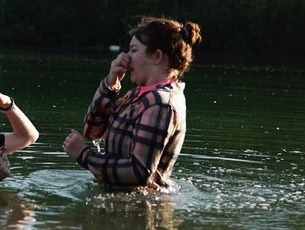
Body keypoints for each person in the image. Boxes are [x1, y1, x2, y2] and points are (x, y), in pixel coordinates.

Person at [62, 16, 201, 191]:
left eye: (133, 51)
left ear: (156, 56)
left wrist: (84, 155)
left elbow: (139, 172)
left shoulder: (162, 104)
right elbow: (93, 131)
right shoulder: (139, 95)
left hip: (141, 210)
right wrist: (110, 83)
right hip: (118, 203)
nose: (125, 58)